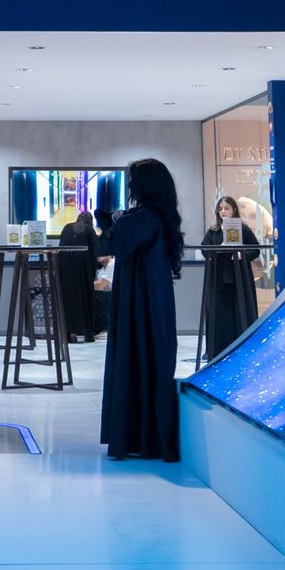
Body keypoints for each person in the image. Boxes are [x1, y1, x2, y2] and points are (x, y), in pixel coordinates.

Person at [101, 158, 183, 462]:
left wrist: (113, 220)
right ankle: (146, 436)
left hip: (141, 303)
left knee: (139, 354)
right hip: (152, 300)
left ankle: (141, 436)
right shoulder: (159, 218)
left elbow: (117, 241)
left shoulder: (145, 219)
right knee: (151, 356)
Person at [201, 196, 261, 361]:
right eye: (220, 209)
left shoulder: (243, 229)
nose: (223, 212)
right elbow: (204, 250)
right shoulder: (213, 231)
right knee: (219, 312)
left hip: (239, 278)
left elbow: (255, 249)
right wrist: (216, 251)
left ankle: (243, 346)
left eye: (226, 208)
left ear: (234, 210)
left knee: (240, 308)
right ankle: (217, 349)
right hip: (218, 279)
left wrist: (242, 254)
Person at [56, 211, 101, 342]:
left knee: (67, 301)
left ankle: (68, 333)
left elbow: (60, 250)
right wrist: (93, 274)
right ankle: (88, 333)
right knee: (86, 300)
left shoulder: (66, 228)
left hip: (65, 271)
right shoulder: (89, 230)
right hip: (83, 272)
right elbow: (94, 253)